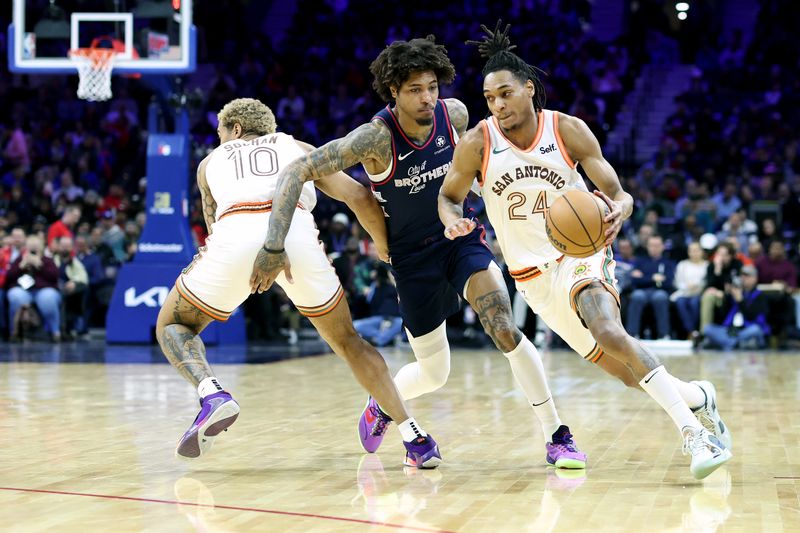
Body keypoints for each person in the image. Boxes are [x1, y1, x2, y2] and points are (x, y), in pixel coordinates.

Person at [254, 35, 586, 469]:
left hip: (460, 237)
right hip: (411, 259)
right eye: (415, 89)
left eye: (432, 86)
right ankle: (383, 402)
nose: (428, 97)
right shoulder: (372, 139)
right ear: (393, 90)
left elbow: (480, 165)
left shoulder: (456, 115)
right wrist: (273, 245)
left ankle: (555, 435)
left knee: (503, 325)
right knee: (434, 373)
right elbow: (298, 169)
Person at [438, 21, 731, 479]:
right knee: (624, 371)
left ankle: (695, 433)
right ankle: (699, 396)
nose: (497, 105)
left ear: (529, 89)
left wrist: (624, 208)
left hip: (580, 253)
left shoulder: (567, 130)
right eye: (490, 98)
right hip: (531, 277)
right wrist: (452, 220)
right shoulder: (478, 142)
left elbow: (618, 193)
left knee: (609, 331)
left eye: (506, 94)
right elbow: (449, 196)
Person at [155, 98, 441, 468]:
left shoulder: (210, 163)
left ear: (235, 130)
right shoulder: (300, 148)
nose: (220, 138)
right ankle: (414, 437)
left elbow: (214, 230)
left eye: (221, 132)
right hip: (298, 235)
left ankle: (212, 394)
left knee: (173, 325)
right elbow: (357, 195)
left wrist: (249, 267)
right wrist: (386, 250)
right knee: (349, 342)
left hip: (235, 238)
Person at [702, 265, 769, 350]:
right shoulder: (734, 292)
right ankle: (736, 343)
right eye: (742, 276)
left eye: (747, 276)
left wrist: (740, 301)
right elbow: (722, 316)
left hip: (747, 329)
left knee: (756, 330)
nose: (743, 278)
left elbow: (752, 317)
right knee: (708, 329)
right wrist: (727, 295)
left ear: (754, 278)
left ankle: (726, 343)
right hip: (731, 331)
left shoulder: (760, 296)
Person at [627, 235, 675, 340]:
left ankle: (664, 334)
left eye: (657, 245)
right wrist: (653, 278)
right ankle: (632, 334)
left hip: (660, 291)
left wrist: (644, 277)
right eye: (652, 245)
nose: (654, 248)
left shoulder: (668, 263)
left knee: (660, 297)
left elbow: (668, 283)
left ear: (663, 246)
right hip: (642, 291)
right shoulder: (640, 261)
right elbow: (635, 281)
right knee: (637, 296)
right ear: (647, 246)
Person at [671, 241, 708, 340]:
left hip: (699, 293)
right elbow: (678, 281)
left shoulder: (707, 265)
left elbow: (705, 281)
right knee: (680, 302)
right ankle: (691, 331)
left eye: (697, 250)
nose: (694, 253)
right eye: (691, 250)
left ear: (702, 252)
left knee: (694, 303)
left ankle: (694, 330)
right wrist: (687, 286)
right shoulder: (682, 265)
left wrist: (697, 286)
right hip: (684, 292)